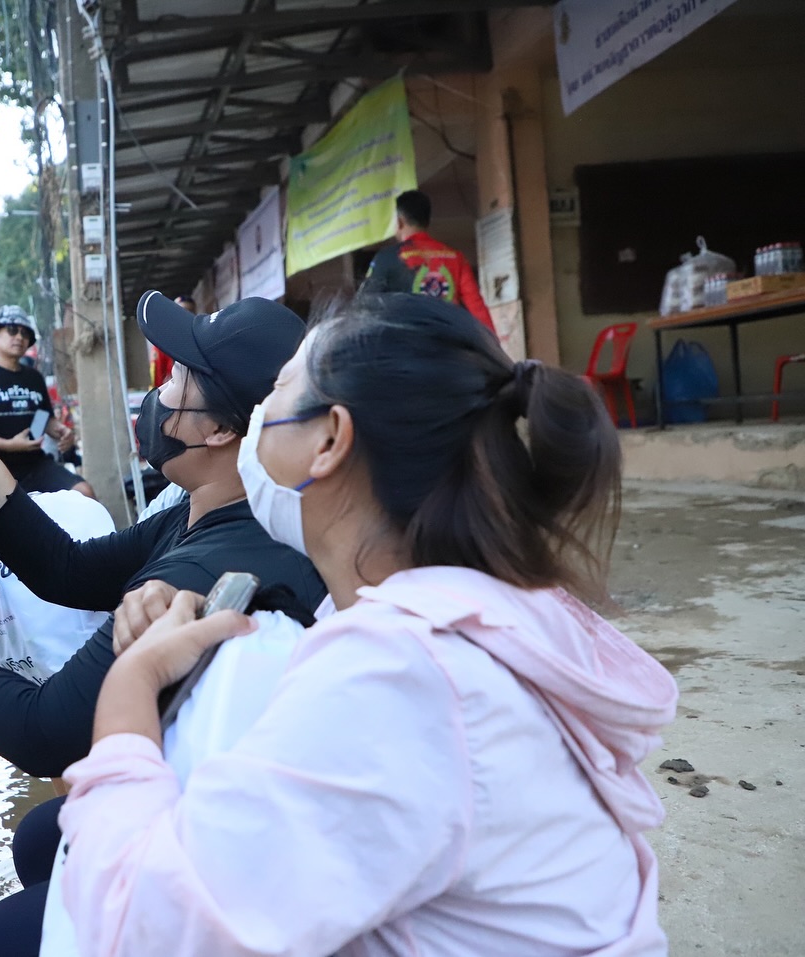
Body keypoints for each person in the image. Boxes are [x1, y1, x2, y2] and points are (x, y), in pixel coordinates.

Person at [55, 293, 676, 955]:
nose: (258, 416)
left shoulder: (404, 672)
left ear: (329, 439)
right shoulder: (483, 607)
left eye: (281, 388)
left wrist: (131, 681)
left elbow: (137, 927)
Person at [0, 290, 327, 957]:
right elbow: (66, 568)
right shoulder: (202, 509)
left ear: (219, 429)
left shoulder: (208, 564)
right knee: (40, 836)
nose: (159, 392)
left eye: (178, 377)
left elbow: (45, 730)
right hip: (214, 797)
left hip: (234, 858)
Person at [0, 305, 93, 497]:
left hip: (36, 464)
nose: (20, 337)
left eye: (25, 333)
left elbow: (42, 419)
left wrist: (61, 432)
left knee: (83, 493)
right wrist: (8, 445)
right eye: (12, 330)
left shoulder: (34, 378)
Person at [362, 190, 496, 334]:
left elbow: (365, 306)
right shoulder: (455, 257)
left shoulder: (386, 258)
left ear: (399, 221)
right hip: (450, 344)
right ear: (427, 221)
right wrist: (494, 345)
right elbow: (476, 307)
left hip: (407, 346)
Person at [147, 295, 190, 389]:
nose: (185, 315)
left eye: (189, 311)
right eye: (180, 311)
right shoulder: (163, 342)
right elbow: (157, 374)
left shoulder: (201, 336)